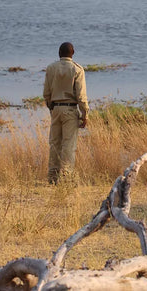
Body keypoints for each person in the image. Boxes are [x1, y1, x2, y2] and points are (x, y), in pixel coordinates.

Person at [43, 41, 89, 184]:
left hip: (55, 108)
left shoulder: (51, 68)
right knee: (68, 144)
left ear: (59, 53)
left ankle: (52, 176)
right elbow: (81, 96)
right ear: (72, 53)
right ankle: (66, 177)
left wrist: (51, 107)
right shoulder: (77, 69)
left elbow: (46, 93)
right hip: (70, 109)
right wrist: (85, 114)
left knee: (54, 143)